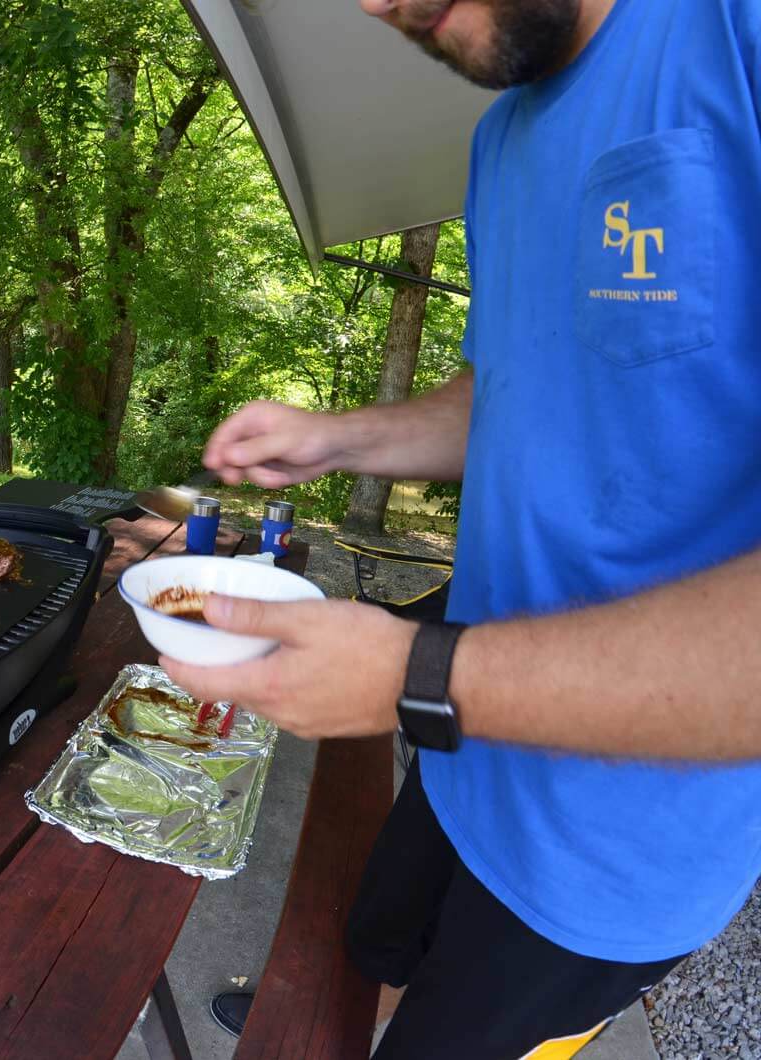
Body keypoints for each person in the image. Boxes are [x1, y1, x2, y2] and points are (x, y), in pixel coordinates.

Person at [163, 0, 761, 1056]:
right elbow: (510, 396)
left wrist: (418, 673)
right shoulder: (502, 141)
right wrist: (336, 438)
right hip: (461, 752)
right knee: (369, 958)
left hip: (611, 856)